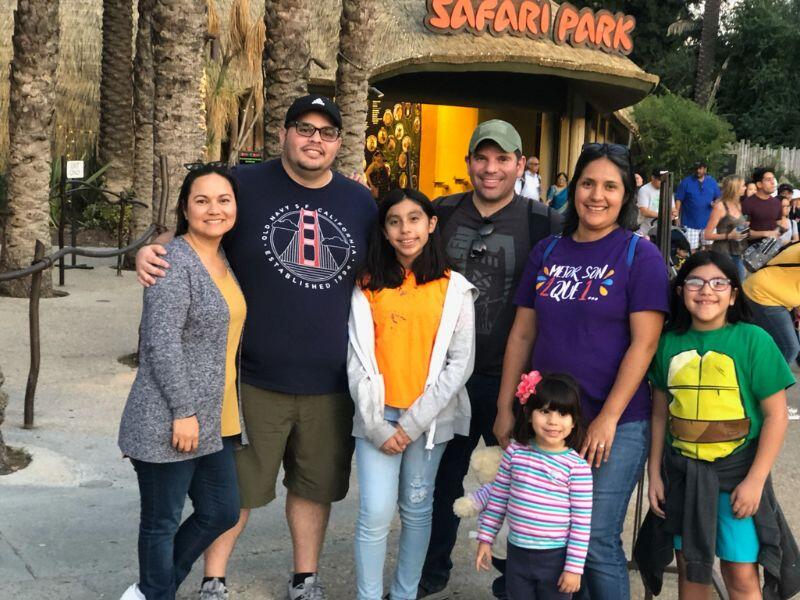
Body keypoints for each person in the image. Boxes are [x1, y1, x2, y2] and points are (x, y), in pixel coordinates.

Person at [136, 95, 377, 600]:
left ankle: (305, 578)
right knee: (235, 495)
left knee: (314, 487)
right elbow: (195, 225)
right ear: (285, 133)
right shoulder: (244, 186)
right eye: (304, 128)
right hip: (254, 379)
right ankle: (213, 579)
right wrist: (150, 249)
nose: (315, 140)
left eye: (327, 132)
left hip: (331, 381)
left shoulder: (360, 203)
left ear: (339, 142)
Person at [495, 142, 670, 600]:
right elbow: (522, 336)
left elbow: (645, 342)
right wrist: (505, 407)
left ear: (626, 195)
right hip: (550, 421)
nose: (597, 195)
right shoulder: (548, 250)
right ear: (573, 188)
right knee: (555, 538)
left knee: (593, 539)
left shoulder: (640, 256)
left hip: (618, 421)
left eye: (610, 186)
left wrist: (609, 417)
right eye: (588, 183)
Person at [418, 120, 562, 600]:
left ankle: (513, 575)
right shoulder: (441, 213)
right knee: (442, 480)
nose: (491, 168)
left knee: (520, 483)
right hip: (446, 378)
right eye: (482, 157)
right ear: (468, 163)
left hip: (513, 380)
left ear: (521, 165)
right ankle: (432, 568)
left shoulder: (543, 221)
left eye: (503, 159)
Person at [119, 165, 244, 600]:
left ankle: (153, 590)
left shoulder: (225, 257)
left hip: (214, 419)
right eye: (202, 200)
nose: (214, 209)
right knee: (161, 521)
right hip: (169, 418)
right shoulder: (172, 261)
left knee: (222, 510)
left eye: (223, 199)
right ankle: (156, 592)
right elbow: (161, 343)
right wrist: (183, 412)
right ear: (185, 209)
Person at [642, 251, 798, 599]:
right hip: (683, 478)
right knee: (691, 572)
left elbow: (776, 416)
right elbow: (659, 413)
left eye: (718, 283)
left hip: (737, 478)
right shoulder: (667, 343)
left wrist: (756, 480)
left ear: (734, 294)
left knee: (741, 575)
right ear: (681, 290)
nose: (706, 291)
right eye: (695, 282)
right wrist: (655, 472)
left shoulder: (754, 340)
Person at [347, 188, 477, 600]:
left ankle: (404, 594)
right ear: (384, 231)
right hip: (376, 420)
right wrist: (376, 425)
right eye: (395, 221)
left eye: (415, 219)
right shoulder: (367, 284)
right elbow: (356, 358)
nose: (406, 230)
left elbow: (461, 364)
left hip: (430, 422)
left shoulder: (454, 288)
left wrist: (411, 423)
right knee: (374, 514)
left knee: (418, 511)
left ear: (431, 224)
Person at [476, 372, 592, 600]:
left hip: (556, 559)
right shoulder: (515, 453)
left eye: (563, 413)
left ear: (574, 420)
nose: (553, 421)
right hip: (517, 554)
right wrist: (485, 538)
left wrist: (574, 568)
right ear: (529, 414)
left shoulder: (577, 468)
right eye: (545, 411)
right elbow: (498, 500)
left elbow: (581, 523)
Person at [743, 242, 800, 364]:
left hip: (762, 290)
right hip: (765, 296)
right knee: (790, 348)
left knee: (759, 341)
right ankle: (767, 380)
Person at [702, 175, 749, 282]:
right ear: (735, 188)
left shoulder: (738, 205)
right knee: (726, 284)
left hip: (737, 252)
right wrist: (729, 236)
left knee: (739, 284)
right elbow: (707, 235)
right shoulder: (720, 207)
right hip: (723, 253)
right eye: (743, 186)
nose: (745, 188)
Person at [675, 161, 721, 252]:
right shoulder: (686, 182)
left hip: (708, 222)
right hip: (690, 222)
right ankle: (694, 265)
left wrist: (715, 203)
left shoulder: (712, 182)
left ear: (705, 169)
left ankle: (705, 265)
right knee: (690, 249)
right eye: (696, 168)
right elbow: (678, 199)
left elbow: (718, 198)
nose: (698, 170)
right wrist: (676, 217)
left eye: (700, 168)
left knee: (709, 248)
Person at [741, 167, 781, 244]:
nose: (773, 182)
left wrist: (780, 230)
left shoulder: (777, 202)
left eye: (773, 179)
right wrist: (766, 233)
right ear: (759, 184)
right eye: (768, 180)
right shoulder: (748, 203)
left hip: (773, 248)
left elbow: (778, 224)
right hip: (751, 250)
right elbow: (743, 231)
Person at [636, 167, 675, 238]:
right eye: (660, 179)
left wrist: (674, 214)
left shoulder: (668, 189)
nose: (663, 182)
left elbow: (673, 208)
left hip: (664, 231)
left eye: (665, 179)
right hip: (647, 231)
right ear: (653, 178)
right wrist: (664, 216)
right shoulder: (644, 190)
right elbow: (644, 212)